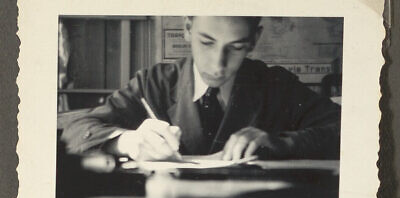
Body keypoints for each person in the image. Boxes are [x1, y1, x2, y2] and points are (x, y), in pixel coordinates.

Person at [61, 16, 341, 161]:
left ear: (254, 40)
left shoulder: (276, 85)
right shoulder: (153, 82)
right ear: (187, 28)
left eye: (236, 47)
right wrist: (128, 142)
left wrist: (281, 142)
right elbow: (76, 130)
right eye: (207, 42)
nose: (218, 65)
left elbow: (345, 130)